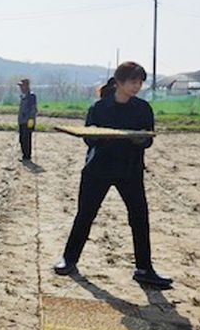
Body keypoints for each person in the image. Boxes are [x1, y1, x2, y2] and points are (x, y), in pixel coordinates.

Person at [53, 61, 173, 289]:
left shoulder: (143, 108)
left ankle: (144, 268)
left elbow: (148, 140)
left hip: (130, 170)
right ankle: (69, 259)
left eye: (140, 82)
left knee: (139, 217)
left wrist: (140, 139)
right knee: (85, 214)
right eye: (132, 82)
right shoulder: (99, 108)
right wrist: (98, 135)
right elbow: (88, 138)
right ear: (119, 82)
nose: (137, 86)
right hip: (98, 169)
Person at [17, 78, 37, 161]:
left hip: (28, 121)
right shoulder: (23, 96)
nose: (21, 88)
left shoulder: (31, 96)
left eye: (22, 86)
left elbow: (33, 110)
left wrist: (30, 122)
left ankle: (27, 156)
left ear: (26, 86)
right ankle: (24, 155)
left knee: (26, 139)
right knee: (21, 139)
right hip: (22, 121)